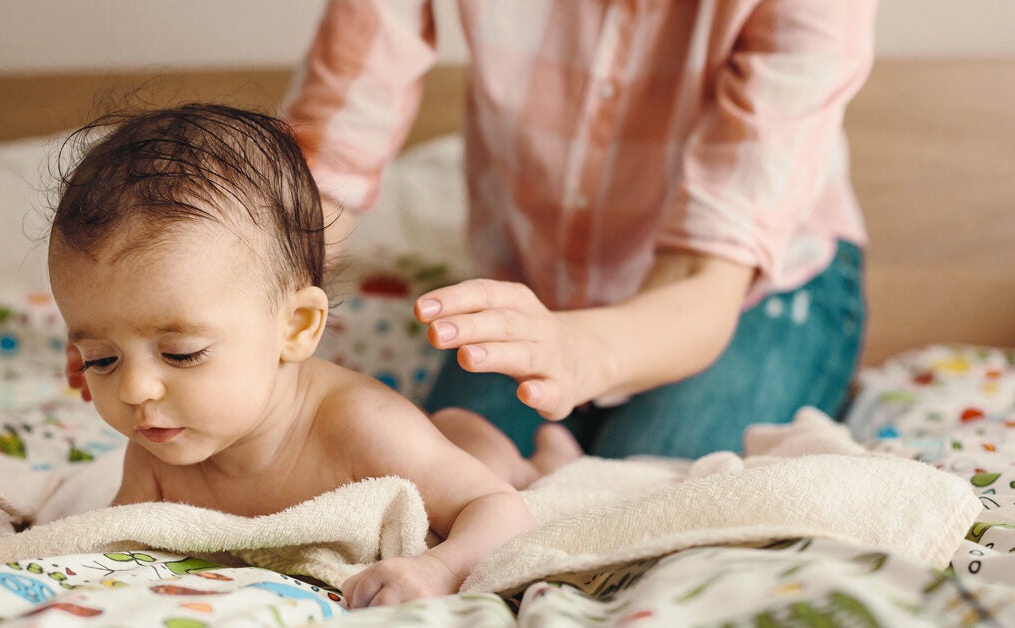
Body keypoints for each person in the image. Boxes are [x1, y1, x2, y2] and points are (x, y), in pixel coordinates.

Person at [282, 0, 875, 464]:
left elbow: (704, 275)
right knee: (439, 489)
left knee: (639, 500)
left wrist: (580, 354)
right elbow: (330, 164)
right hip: (538, 277)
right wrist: (257, 307)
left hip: (750, 289)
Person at [47, 103, 545, 607]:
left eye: (181, 353)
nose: (133, 390)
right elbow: (112, 547)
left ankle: (541, 455)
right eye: (101, 360)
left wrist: (437, 569)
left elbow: (498, 507)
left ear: (296, 326)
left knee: (486, 458)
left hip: (453, 448)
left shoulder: (362, 427)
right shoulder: (157, 451)